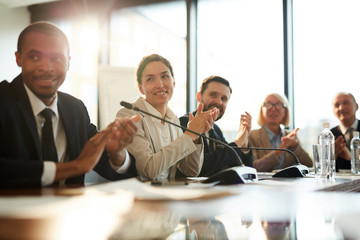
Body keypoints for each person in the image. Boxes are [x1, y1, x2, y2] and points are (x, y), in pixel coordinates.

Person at [0, 21, 141, 188]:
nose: (46, 67)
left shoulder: (76, 109)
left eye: (57, 58)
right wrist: (76, 167)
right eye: (35, 57)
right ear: (19, 58)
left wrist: (116, 153)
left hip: (68, 211)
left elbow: (118, 172)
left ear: (68, 62)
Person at [116, 54, 219, 180]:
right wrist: (189, 135)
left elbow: (191, 171)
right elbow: (149, 170)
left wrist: (196, 137)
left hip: (169, 194)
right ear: (140, 88)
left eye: (165, 76)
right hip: (142, 196)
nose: (159, 84)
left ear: (173, 81)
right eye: (150, 79)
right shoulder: (128, 115)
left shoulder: (173, 120)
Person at [179, 75, 253, 177]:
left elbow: (238, 166)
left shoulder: (216, 129)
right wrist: (237, 144)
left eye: (224, 98)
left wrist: (243, 145)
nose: (218, 102)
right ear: (199, 97)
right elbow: (200, 167)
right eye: (213, 95)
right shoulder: (185, 122)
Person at [248, 93, 312, 172]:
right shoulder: (252, 136)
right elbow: (252, 168)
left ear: (285, 111)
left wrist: (295, 146)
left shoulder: (290, 135)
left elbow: (309, 165)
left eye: (278, 105)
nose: (273, 109)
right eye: (268, 104)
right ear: (262, 110)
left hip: (289, 183)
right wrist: (279, 151)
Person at [331, 92, 360, 171]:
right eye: (337, 105)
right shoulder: (329, 136)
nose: (341, 108)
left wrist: (352, 157)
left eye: (345, 103)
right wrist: (333, 154)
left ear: (356, 106)